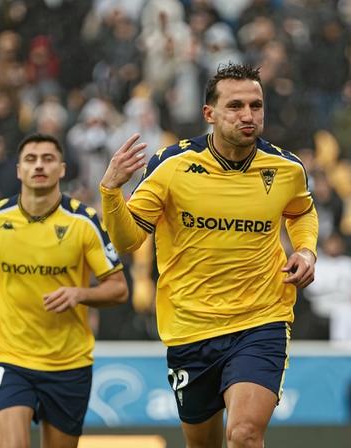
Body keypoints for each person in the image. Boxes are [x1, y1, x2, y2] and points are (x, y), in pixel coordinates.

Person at [99, 63, 318, 448]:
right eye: (235, 106)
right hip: (190, 326)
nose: (248, 115)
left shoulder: (286, 168)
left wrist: (305, 250)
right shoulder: (171, 166)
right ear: (209, 114)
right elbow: (129, 239)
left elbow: (301, 212)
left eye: (256, 105)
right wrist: (111, 193)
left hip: (260, 320)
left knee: (245, 434)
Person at [0, 134, 129, 448]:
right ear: (18, 170)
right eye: (31, 159)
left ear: (62, 169)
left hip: (69, 362)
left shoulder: (84, 222)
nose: (39, 165)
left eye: (48, 159)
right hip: (10, 358)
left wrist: (79, 294)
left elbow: (118, 289)